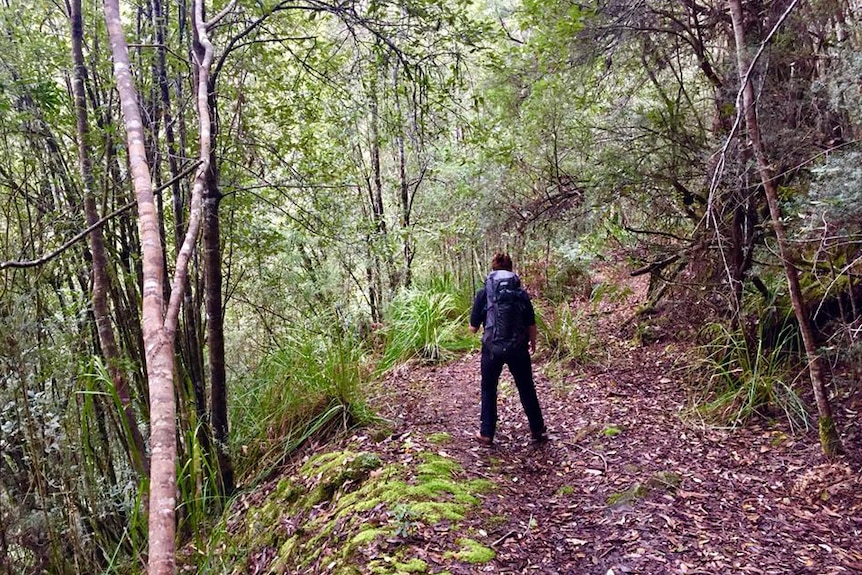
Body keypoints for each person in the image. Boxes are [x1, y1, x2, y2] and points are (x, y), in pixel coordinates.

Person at [469, 253, 547, 446]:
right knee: (526, 386)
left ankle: (486, 433)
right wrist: (533, 343)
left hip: (491, 349)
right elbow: (531, 323)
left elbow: (473, 328)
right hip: (518, 348)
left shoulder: (483, 293)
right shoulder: (520, 293)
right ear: (511, 269)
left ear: (493, 269)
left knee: (488, 388)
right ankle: (537, 430)